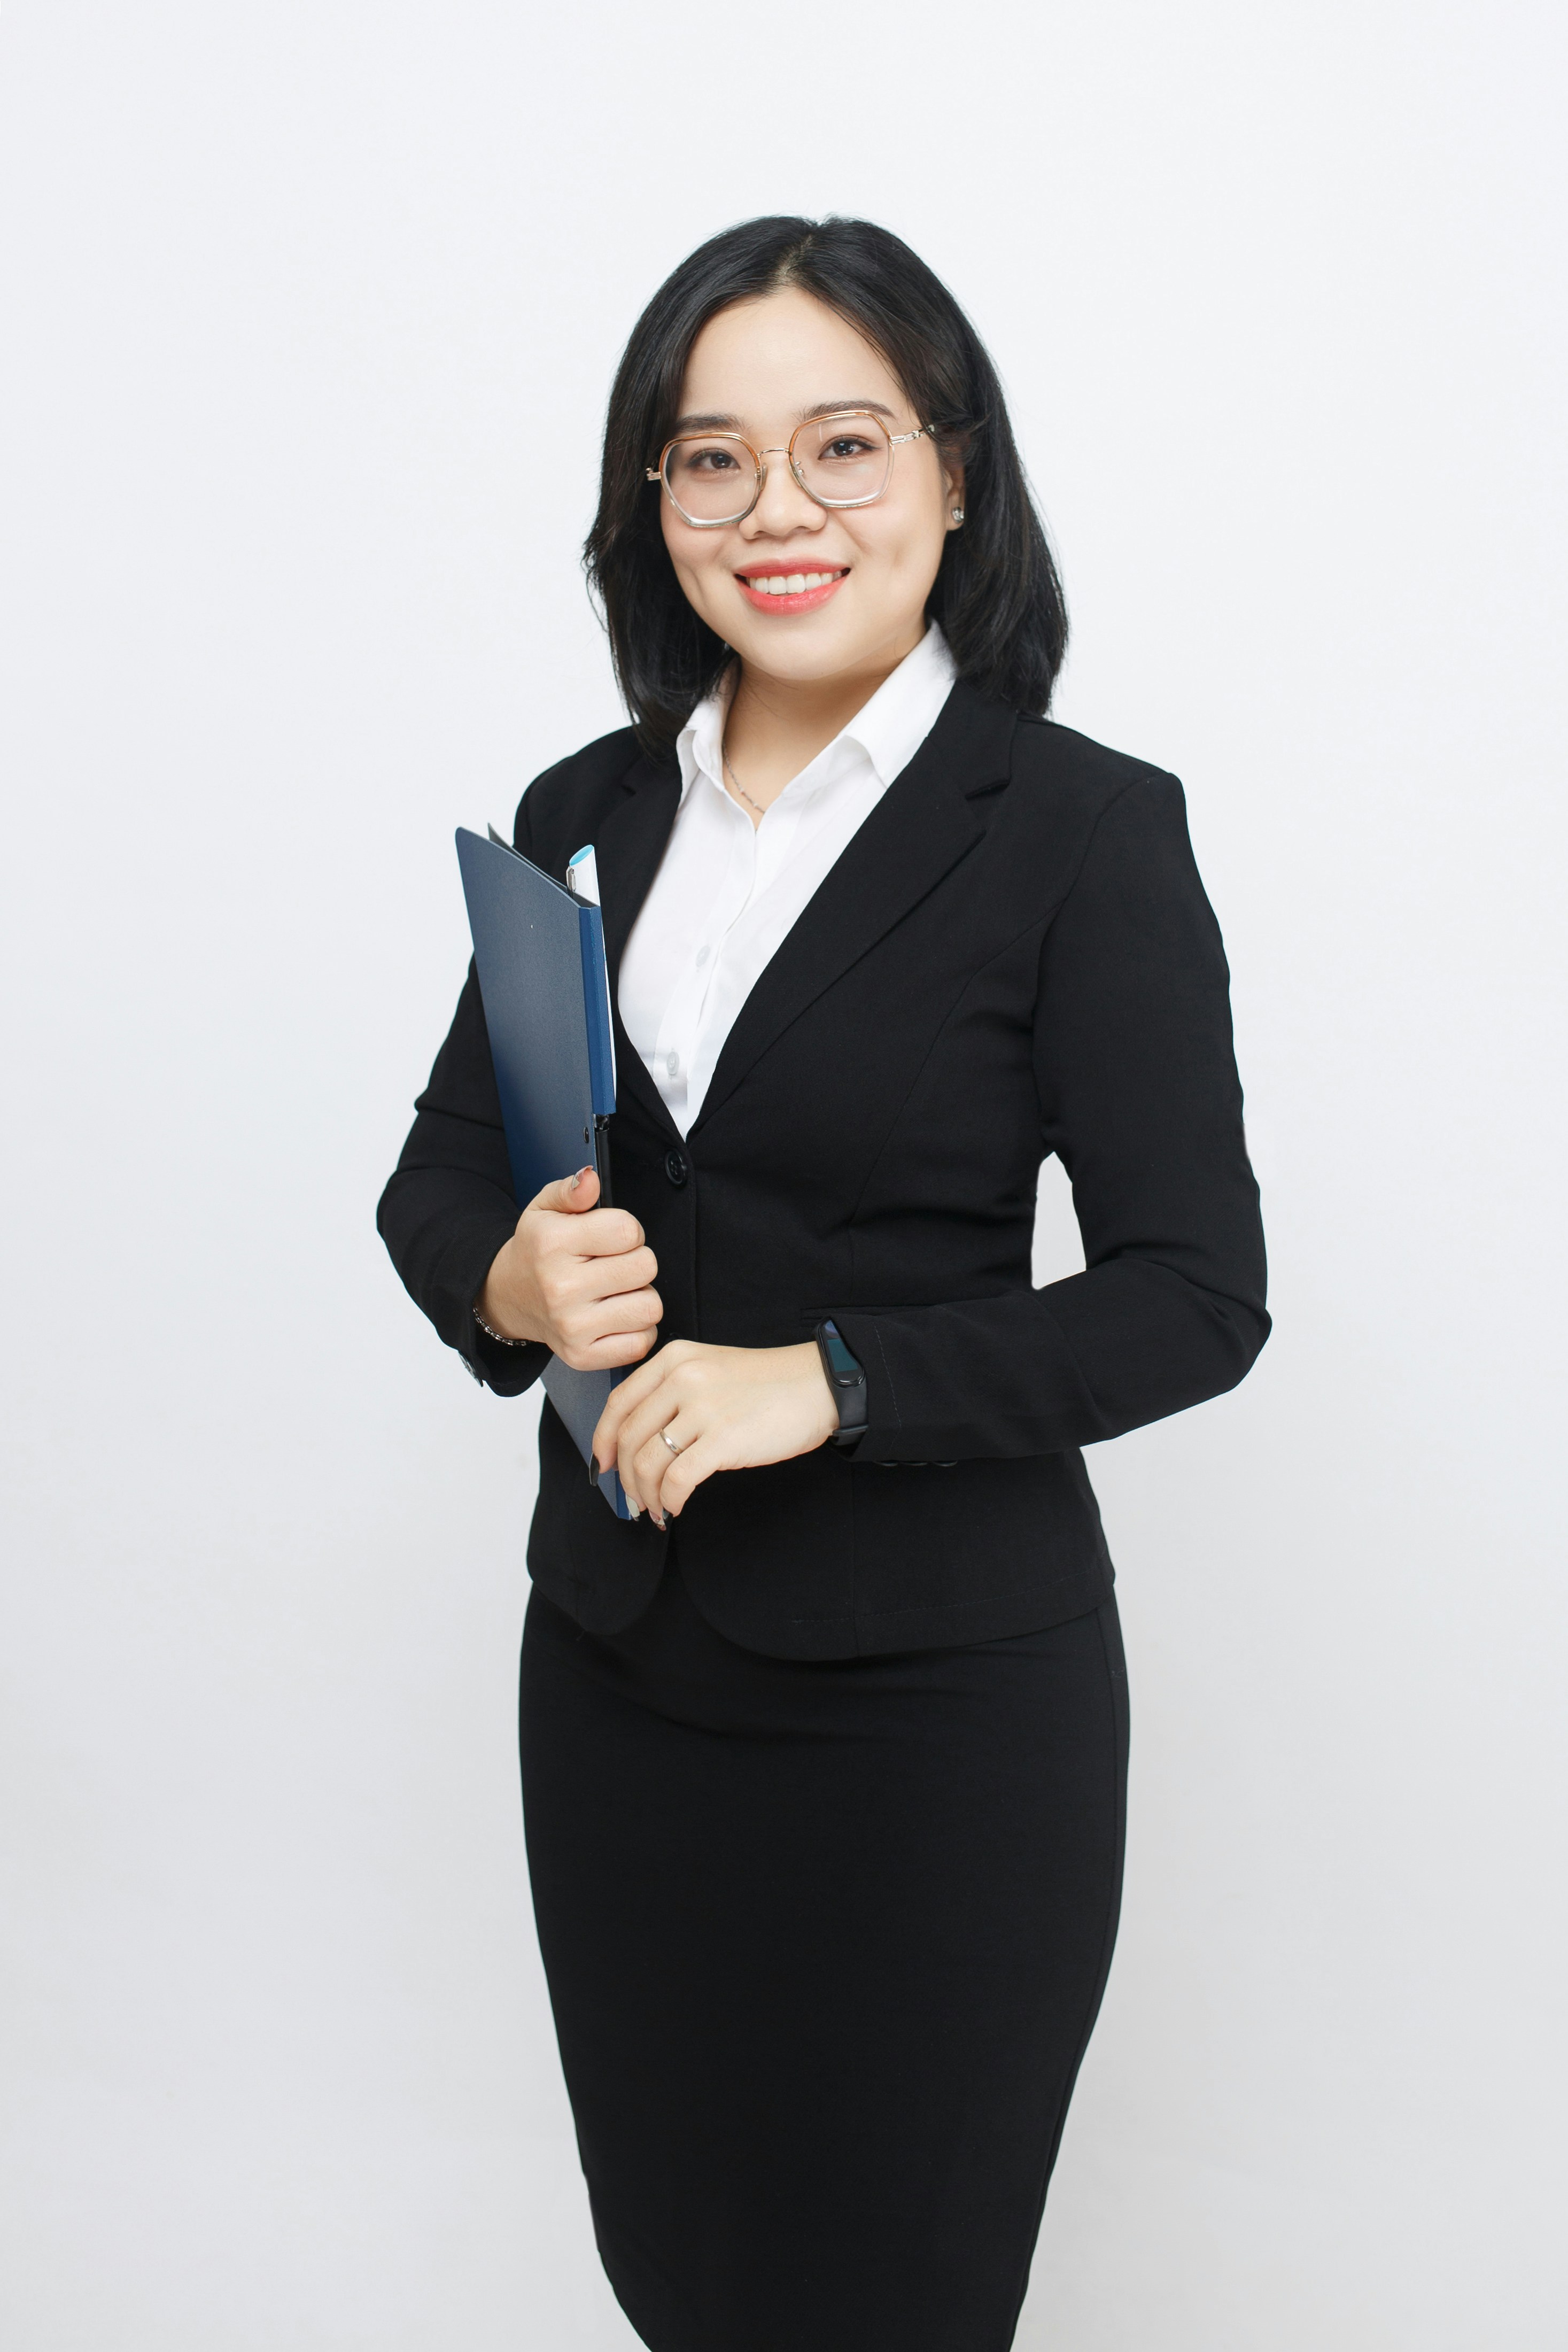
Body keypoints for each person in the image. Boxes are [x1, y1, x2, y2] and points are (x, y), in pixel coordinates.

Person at [378, 214, 1268, 2352]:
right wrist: (510, 1274)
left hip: (934, 1711)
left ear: (953, 472)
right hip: (611, 1673)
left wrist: (830, 1378)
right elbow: (437, 1176)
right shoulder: (586, 809)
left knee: (890, 2294)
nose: (776, 509)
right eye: (709, 459)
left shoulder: (1077, 831)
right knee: (680, 2277)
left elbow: (1188, 1290)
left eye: (843, 445)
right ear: (649, 500)